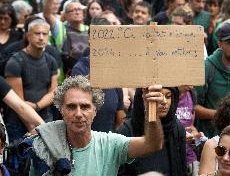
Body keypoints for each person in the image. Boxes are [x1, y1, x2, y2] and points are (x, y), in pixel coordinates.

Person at [29, 75, 165, 175]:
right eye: (71, 107)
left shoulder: (110, 144)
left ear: (95, 110)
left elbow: (152, 144)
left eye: (85, 107)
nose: (78, 113)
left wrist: (150, 108)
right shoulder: (44, 147)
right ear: (61, 110)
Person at [4, 18, 58, 143]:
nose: (41, 37)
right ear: (28, 35)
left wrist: (37, 106)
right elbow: (18, 102)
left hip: (45, 119)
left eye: (44, 34)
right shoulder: (15, 62)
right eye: (37, 33)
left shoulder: (51, 61)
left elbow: (53, 92)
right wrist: (33, 128)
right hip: (19, 122)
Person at [118, 87, 186, 176]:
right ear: (144, 99)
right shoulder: (127, 130)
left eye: (168, 96)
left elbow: (182, 168)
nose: (164, 101)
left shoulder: (176, 127)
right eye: (157, 97)